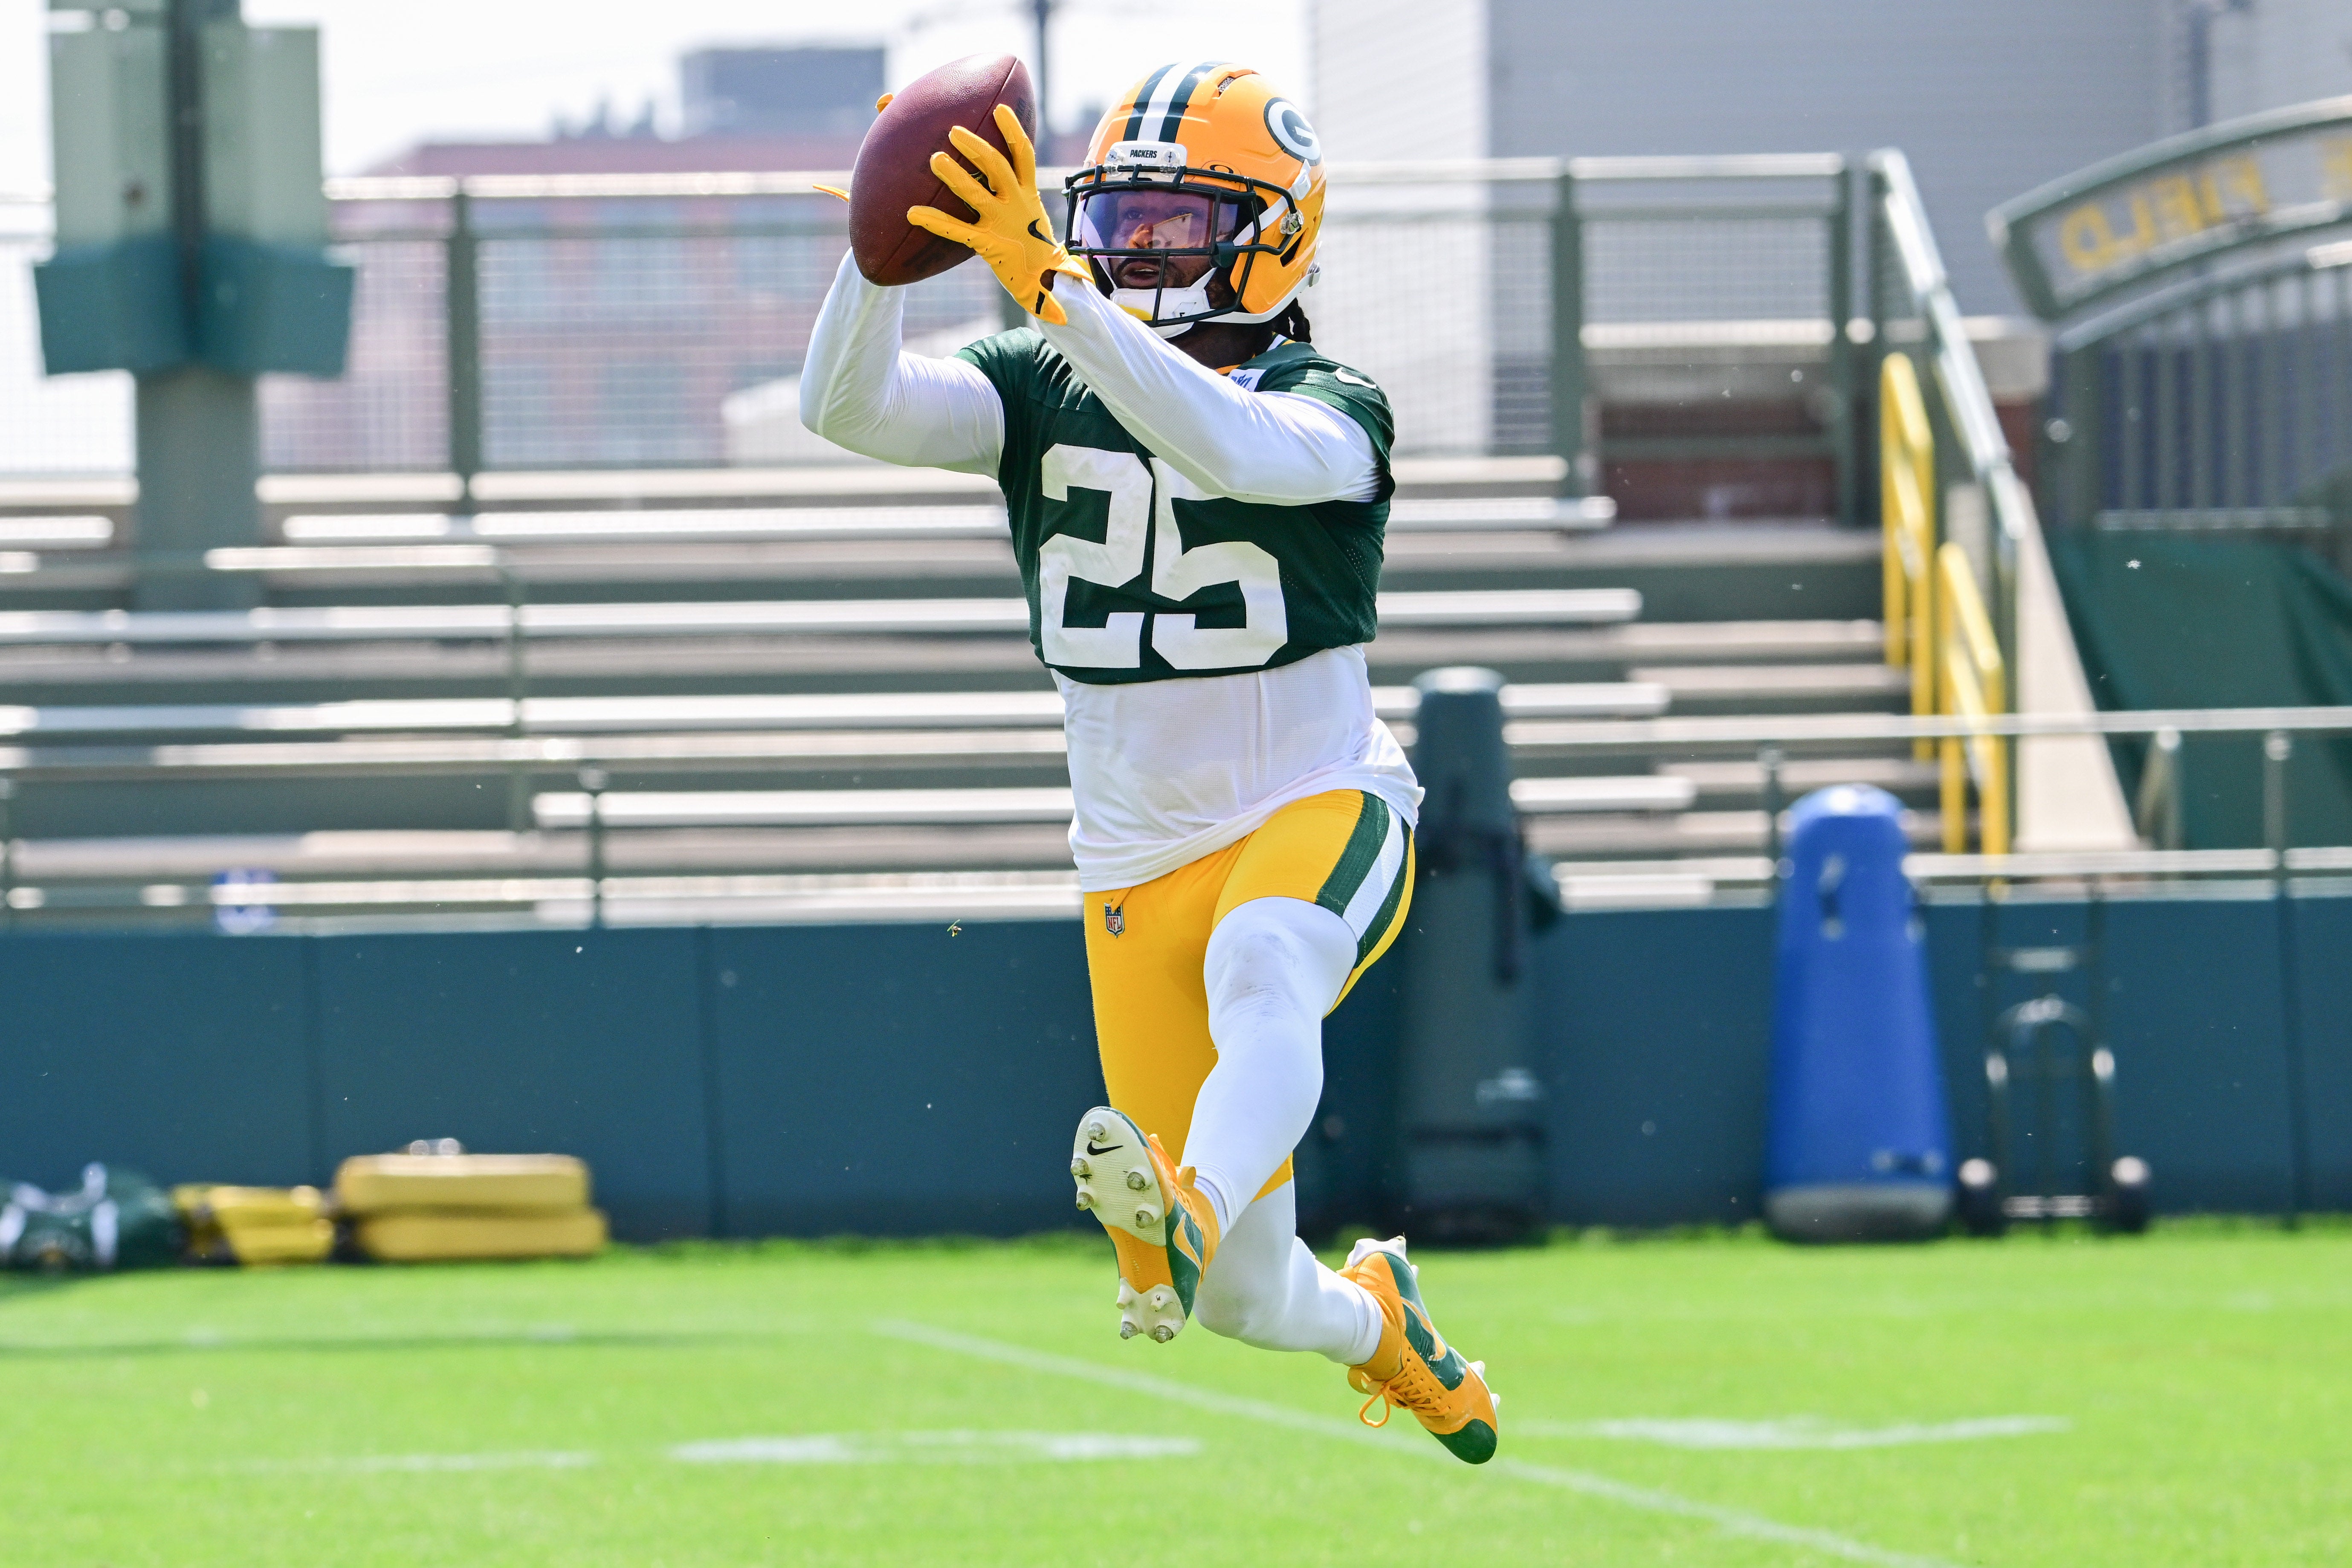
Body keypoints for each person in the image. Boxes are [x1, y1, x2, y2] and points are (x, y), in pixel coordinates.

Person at [802, 60, 1497, 1464]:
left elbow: (1228, 444)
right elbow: (850, 409)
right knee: (1247, 1300)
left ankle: (1182, 1203)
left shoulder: (1335, 403)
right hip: (1130, 859)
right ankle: (1382, 1327)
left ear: (1277, 232)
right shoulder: (1045, 372)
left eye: (1183, 225)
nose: (1141, 252)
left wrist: (1057, 290)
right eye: (1121, 220)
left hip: (1315, 802)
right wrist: (877, 261)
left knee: (1265, 971)